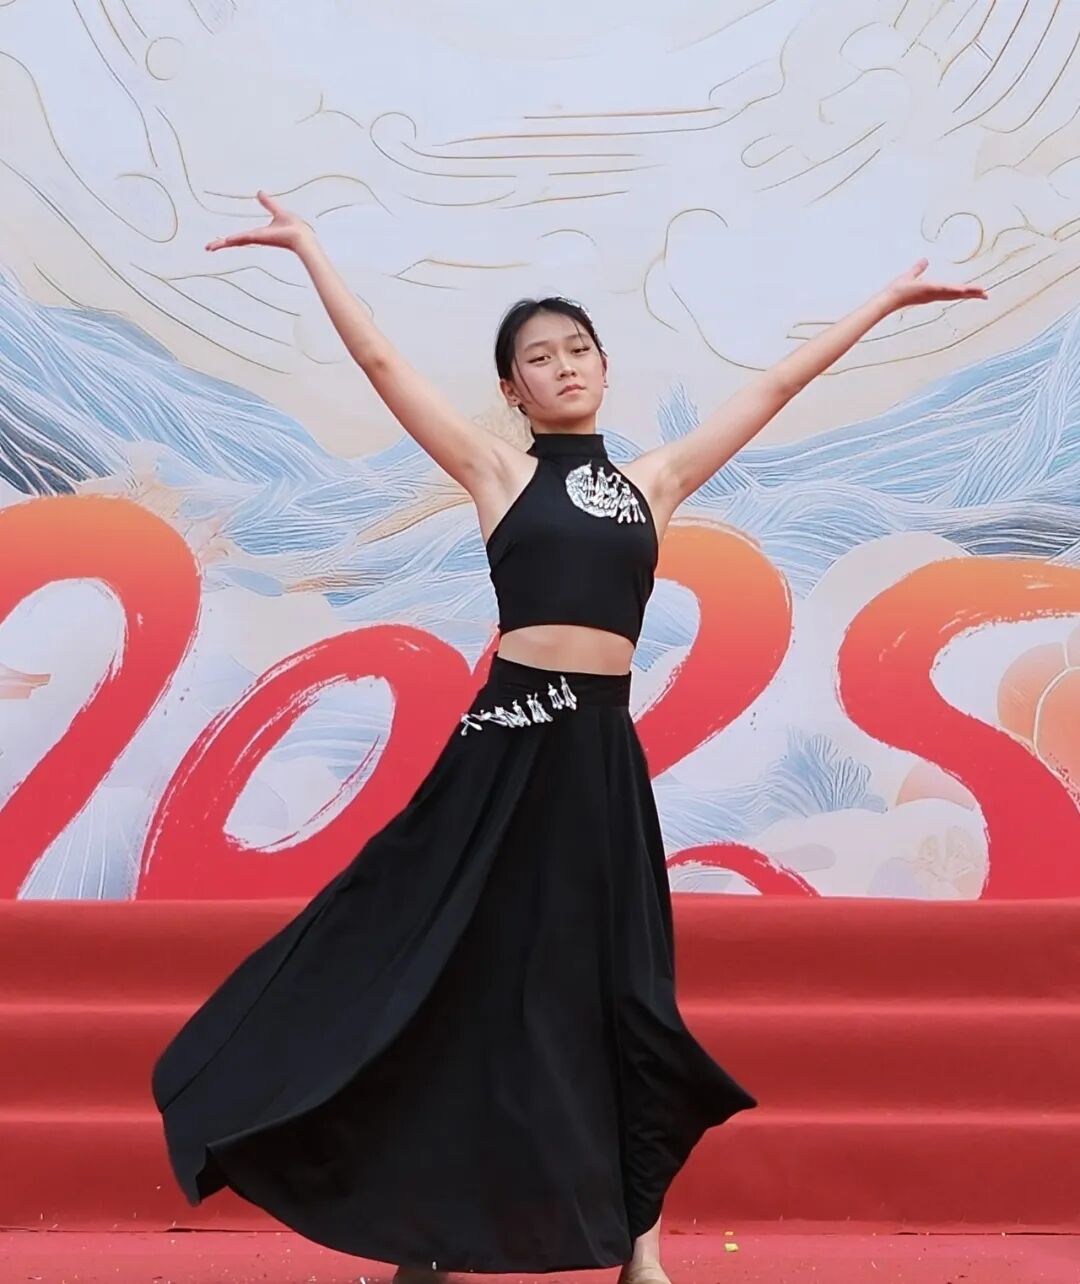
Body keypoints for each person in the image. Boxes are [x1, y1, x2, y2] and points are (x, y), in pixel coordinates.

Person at [152, 192, 987, 1282]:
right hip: (503, 745)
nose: (564, 367)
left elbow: (775, 387)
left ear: (603, 366)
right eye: (539, 359)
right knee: (448, 972)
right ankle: (421, 1237)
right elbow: (381, 363)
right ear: (514, 390)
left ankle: (643, 1252)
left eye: (578, 349)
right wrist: (309, 248)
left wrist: (884, 302)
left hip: (596, 757)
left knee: (622, 993)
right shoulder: (498, 473)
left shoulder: (653, 483)